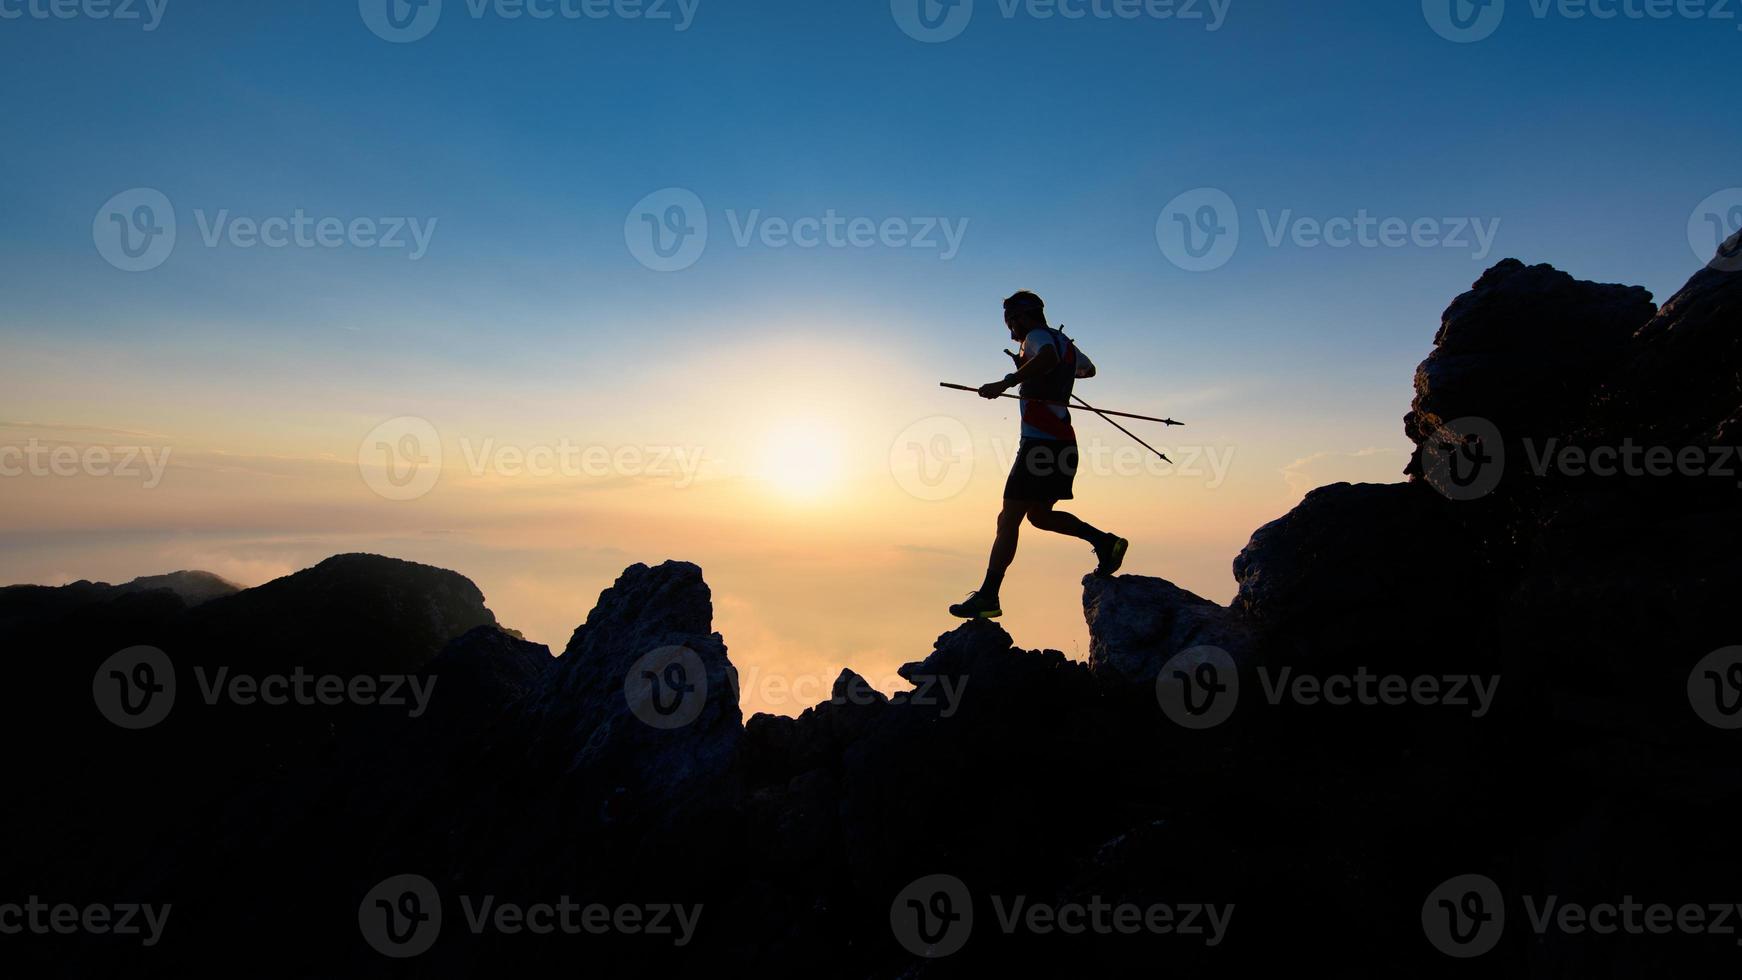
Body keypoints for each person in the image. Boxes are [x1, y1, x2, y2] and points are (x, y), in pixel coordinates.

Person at [949, 291, 1128, 620]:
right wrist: (1038, 370)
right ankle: (1105, 542)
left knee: (1008, 519)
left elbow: (1045, 357)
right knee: (1040, 516)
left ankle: (988, 596)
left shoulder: (1036, 337)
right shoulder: (1065, 344)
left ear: (1020, 317)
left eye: (1010, 323)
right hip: (1063, 445)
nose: (1010, 332)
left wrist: (1009, 380)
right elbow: (1087, 371)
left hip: (1038, 446)